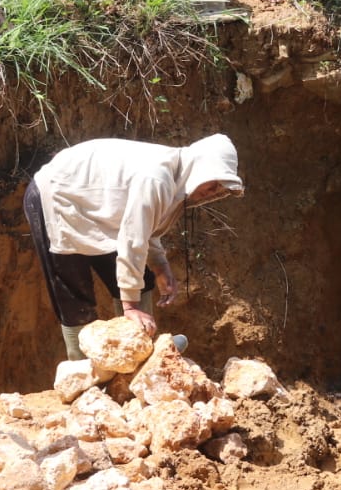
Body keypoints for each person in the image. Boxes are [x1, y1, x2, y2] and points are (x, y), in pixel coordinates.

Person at [25, 134, 244, 358]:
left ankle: (142, 353)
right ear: (199, 168)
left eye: (221, 187)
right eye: (213, 181)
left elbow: (143, 226)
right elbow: (134, 238)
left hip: (95, 207)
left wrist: (159, 265)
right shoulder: (158, 178)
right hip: (55, 196)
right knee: (74, 293)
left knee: (141, 277)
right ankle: (83, 372)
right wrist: (130, 306)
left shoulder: (174, 176)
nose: (214, 190)